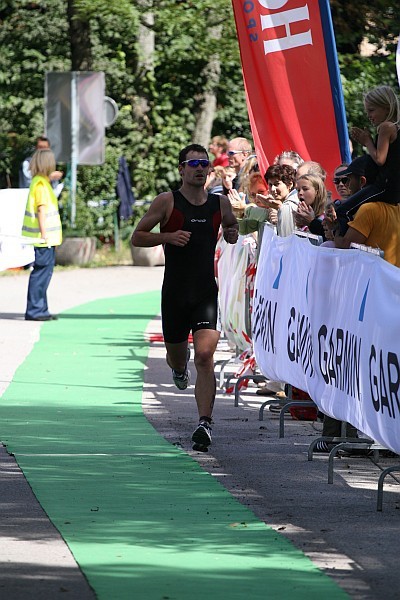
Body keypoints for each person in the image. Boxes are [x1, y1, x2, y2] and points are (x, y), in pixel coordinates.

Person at [131, 144, 239, 451]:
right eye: (193, 163)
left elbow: (231, 226)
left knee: (205, 357)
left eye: (204, 164)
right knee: (178, 357)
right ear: (181, 168)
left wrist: (231, 233)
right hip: (175, 294)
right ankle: (179, 368)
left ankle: (204, 422)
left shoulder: (220, 203)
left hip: (205, 291)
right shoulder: (167, 201)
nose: (200, 168)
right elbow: (137, 236)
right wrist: (167, 237)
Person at [335, 85, 400, 235]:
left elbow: (379, 159)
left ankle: (344, 244)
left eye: (371, 110)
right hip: (389, 187)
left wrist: (367, 141)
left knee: (343, 210)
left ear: (386, 107)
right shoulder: (394, 127)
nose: (369, 116)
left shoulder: (386, 127)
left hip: (384, 187)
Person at [22, 149, 62, 321]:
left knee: (44, 274)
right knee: (41, 274)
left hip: (46, 239)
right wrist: (44, 234)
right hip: (44, 239)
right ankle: (35, 310)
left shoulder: (41, 181)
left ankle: (41, 309)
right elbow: (41, 209)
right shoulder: (40, 184)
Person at [264, 164, 298, 237]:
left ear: (289, 184)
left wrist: (280, 217)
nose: (273, 189)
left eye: (277, 184)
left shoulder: (288, 206)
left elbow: (285, 241)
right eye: (270, 185)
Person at [295, 173, 327, 239]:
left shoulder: (326, 217)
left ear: (317, 192)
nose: (300, 193)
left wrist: (312, 223)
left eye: (305, 189)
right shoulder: (300, 216)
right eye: (298, 190)